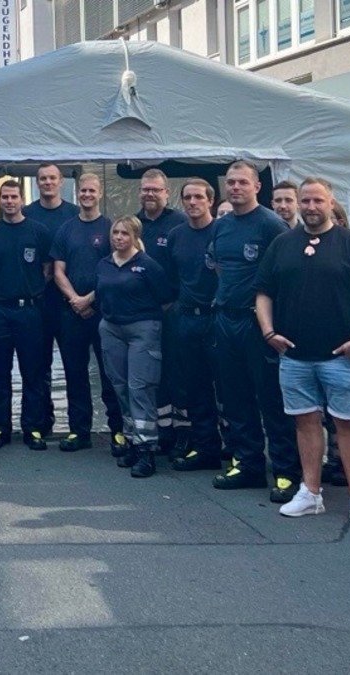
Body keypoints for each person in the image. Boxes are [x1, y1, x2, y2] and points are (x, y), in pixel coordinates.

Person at [257, 178, 350, 526]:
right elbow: (263, 291)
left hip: (341, 356)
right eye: (306, 201)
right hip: (295, 356)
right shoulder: (282, 244)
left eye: (318, 201)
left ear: (330, 202)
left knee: (348, 426)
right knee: (305, 422)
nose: (311, 207)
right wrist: (268, 331)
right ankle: (310, 493)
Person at [207, 161, 300, 502]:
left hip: (257, 323)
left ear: (257, 186)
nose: (235, 188)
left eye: (242, 182)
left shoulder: (271, 225)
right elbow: (219, 267)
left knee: (271, 400)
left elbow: (286, 277)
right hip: (226, 319)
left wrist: (271, 325)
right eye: (230, 182)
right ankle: (248, 465)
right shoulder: (223, 225)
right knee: (235, 398)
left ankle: (288, 472)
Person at [50, 172, 124, 452]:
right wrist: (75, 300)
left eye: (92, 191)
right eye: (83, 191)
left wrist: (90, 300)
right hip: (72, 313)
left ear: (100, 193)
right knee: (75, 374)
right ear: (77, 193)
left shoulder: (110, 229)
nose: (87, 195)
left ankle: (118, 430)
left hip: (102, 313)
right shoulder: (66, 229)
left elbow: (115, 268)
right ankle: (79, 430)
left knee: (109, 374)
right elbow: (58, 271)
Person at [96, 215, 174, 477]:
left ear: (135, 237)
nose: (118, 237)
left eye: (124, 233)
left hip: (142, 329)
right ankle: (131, 440)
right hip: (111, 329)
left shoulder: (147, 265)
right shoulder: (104, 264)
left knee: (140, 388)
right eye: (115, 233)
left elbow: (165, 299)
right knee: (120, 388)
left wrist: (143, 319)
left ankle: (147, 450)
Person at [0, 180, 52, 450]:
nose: (9, 201)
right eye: (5, 197)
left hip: (30, 310)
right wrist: (4, 291)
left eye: (14, 197)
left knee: (32, 371)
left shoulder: (39, 231)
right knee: (0, 372)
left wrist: (27, 291)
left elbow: (46, 269)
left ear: (22, 200)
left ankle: (33, 428)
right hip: (0, 309)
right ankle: (0, 427)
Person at [168, 179, 224, 472]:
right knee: (196, 388)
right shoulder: (176, 235)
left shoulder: (222, 231)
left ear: (210, 201)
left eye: (198, 197)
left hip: (218, 318)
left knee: (229, 387)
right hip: (187, 318)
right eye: (187, 197)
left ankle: (237, 449)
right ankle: (206, 449)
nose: (192, 202)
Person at [136, 168, 190, 455]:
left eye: (155, 189)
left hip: (173, 310)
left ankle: (183, 432)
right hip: (143, 314)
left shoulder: (179, 224)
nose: (150, 194)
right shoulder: (135, 224)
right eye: (146, 189)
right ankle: (161, 430)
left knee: (176, 372)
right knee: (150, 375)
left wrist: (174, 301)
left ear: (166, 193)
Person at [23, 163, 79, 435]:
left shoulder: (74, 214)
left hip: (68, 305)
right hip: (36, 304)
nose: (47, 182)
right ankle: (42, 421)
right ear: (37, 182)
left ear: (60, 182)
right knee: (38, 364)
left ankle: (78, 425)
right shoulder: (25, 214)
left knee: (73, 365)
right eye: (43, 178)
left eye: (52, 178)